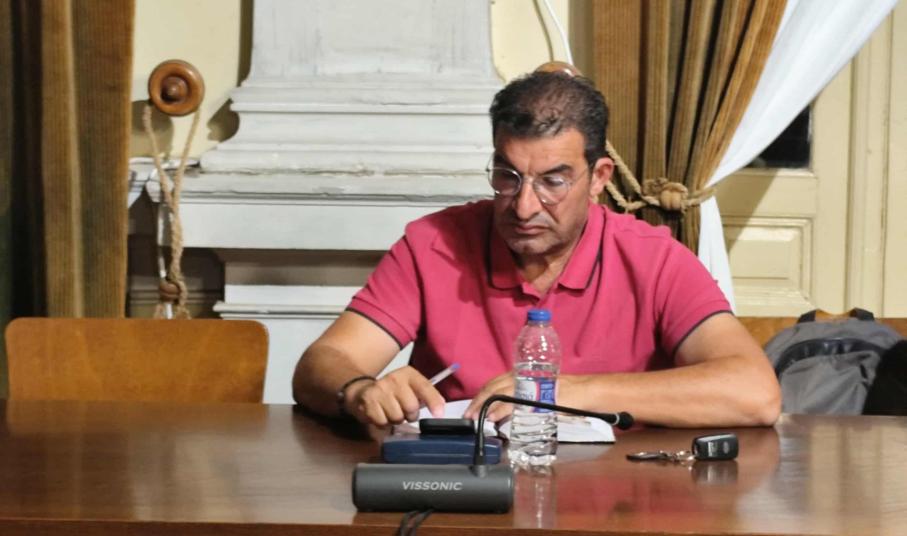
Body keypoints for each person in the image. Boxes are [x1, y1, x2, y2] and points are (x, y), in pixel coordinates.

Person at [293, 70, 781, 428]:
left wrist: (566, 393)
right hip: (465, 495)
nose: (524, 207)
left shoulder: (653, 258)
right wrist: (359, 390)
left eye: (553, 181)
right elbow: (323, 362)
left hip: (617, 501)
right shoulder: (434, 244)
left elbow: (755, 393)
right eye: (507, 177)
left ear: (599, 178)